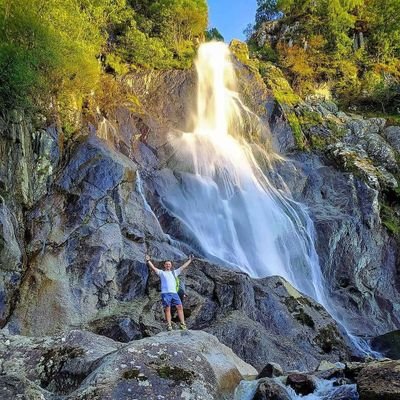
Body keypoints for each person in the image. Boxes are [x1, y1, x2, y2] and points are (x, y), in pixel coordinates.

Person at [145, 254, 194, 331]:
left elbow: (183, 267)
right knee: (167, 309)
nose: (168, 265)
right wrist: (148, 260)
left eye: (169, 264)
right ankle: (169, 325)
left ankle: (183, 324)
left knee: (180, 307)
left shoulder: (175, 272)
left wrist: (190, 260)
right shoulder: (161, 273)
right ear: (164, 265)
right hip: (165, 293)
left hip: (174, 293)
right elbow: (154, 268)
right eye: (166, 264)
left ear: (171, 266)